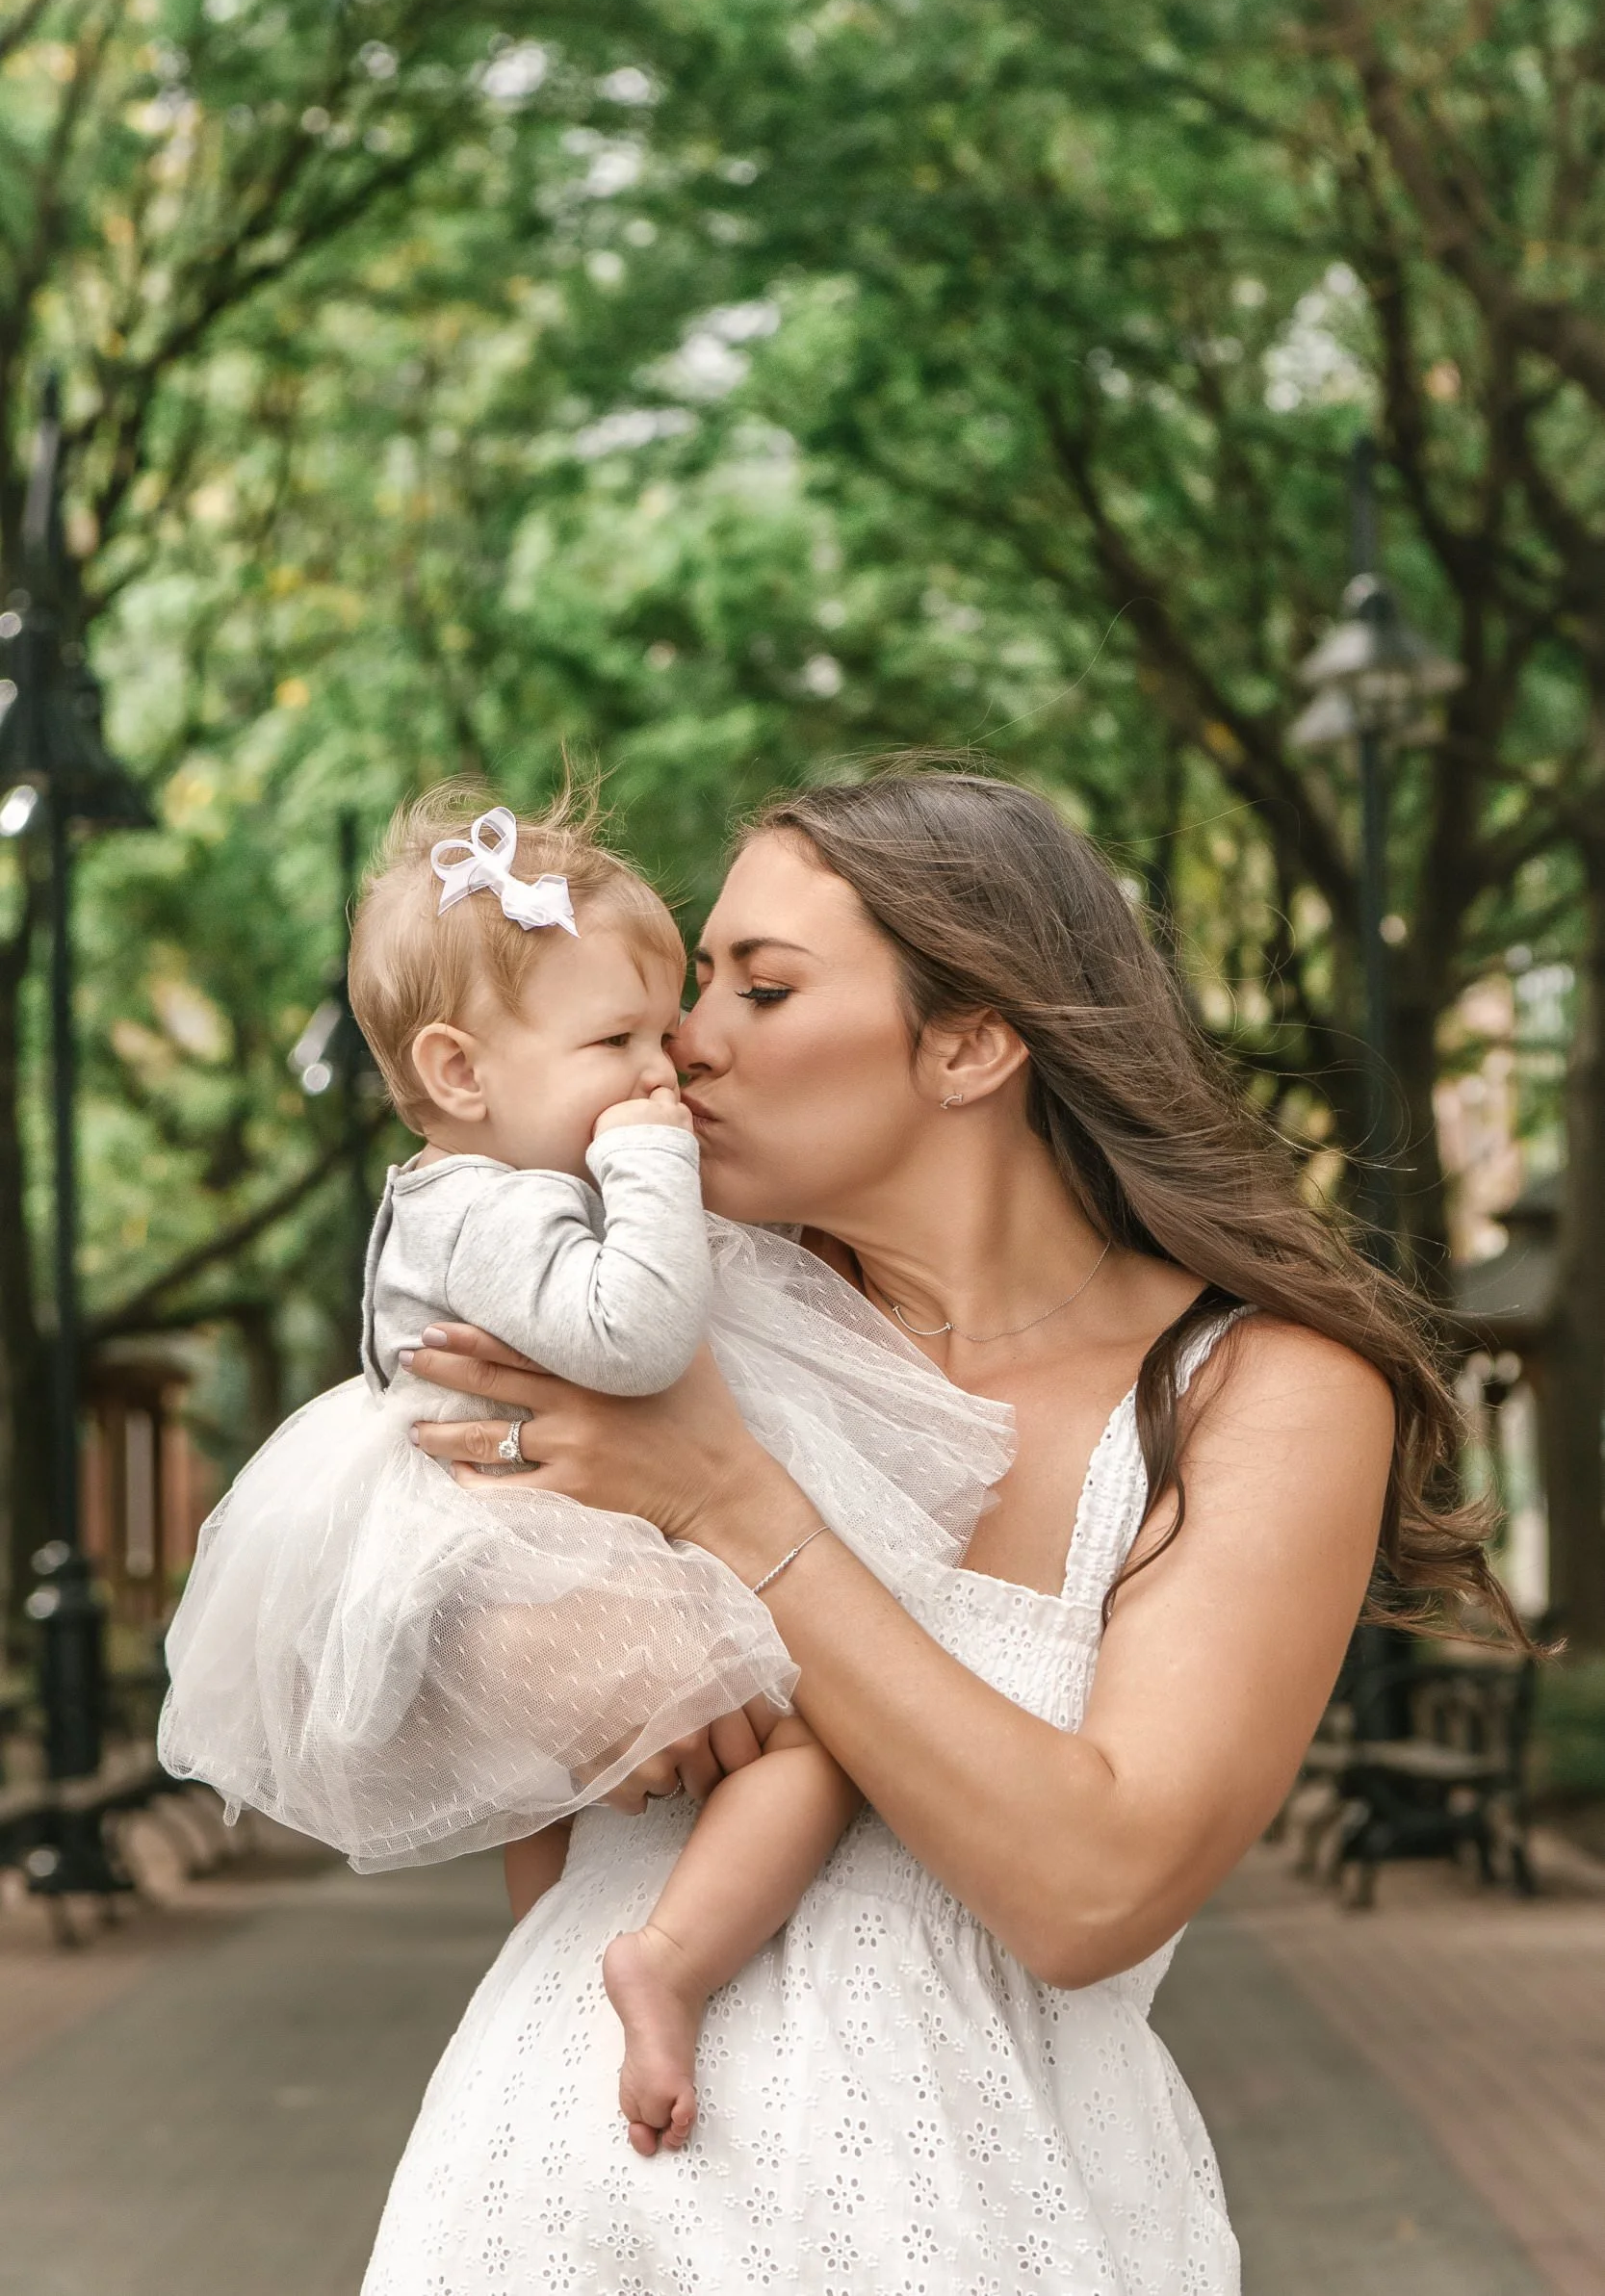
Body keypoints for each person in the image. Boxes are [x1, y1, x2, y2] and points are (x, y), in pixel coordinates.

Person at [364, 766, 1521, 2293]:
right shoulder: (654, 1318)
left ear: (971, 1040)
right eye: (697, 980)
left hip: (986, 2212)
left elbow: (1089, 1890)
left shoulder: (1265, 1394)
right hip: (568, 2186)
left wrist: (727, 1501)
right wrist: (525, 1661)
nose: (685, 1041)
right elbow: (517, 1775)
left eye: (761, 989)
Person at [160, 785, 1009, 2159]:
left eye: (657, 1036)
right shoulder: (500, 1205)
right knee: (807, 1745)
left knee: (568, 1785)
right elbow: (634, 1334)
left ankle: (562, 1963)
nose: (665, 1072)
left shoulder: (480, 1194)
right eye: (619, 1041)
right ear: (459, 1074)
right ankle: (660, 1960)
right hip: (532, 1538)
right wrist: (657, 1162)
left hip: (532, 1527)